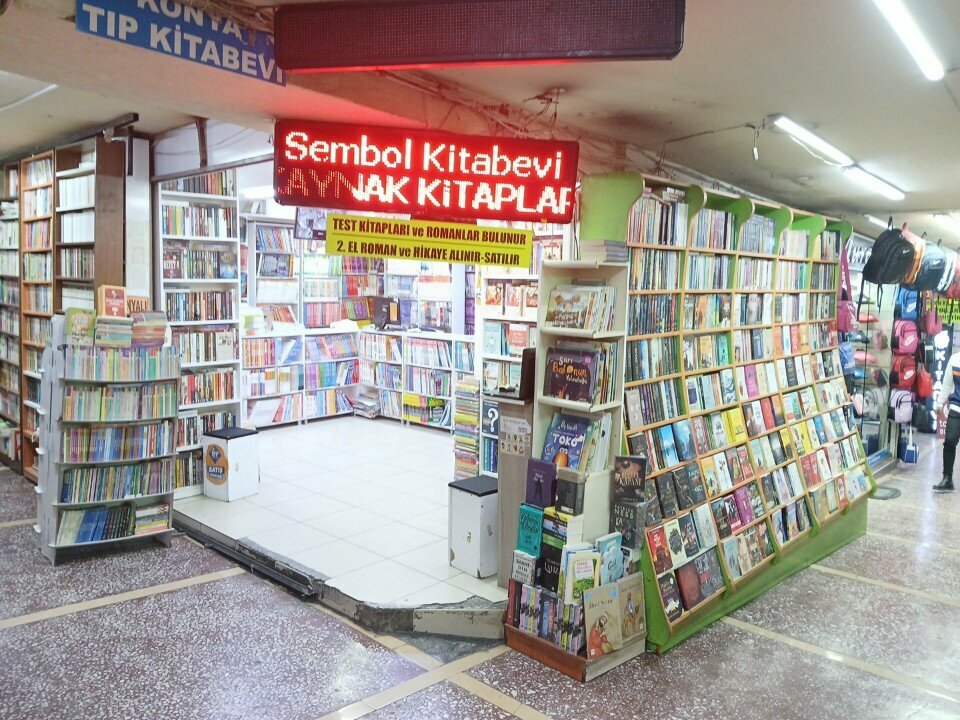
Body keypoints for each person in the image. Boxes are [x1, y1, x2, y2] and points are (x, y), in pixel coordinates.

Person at [934, 351, 960, 492]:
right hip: (957, 407)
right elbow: (947, 383)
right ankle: (947, 479)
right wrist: (940, 403)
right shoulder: (955, 359)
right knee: (950, 441)